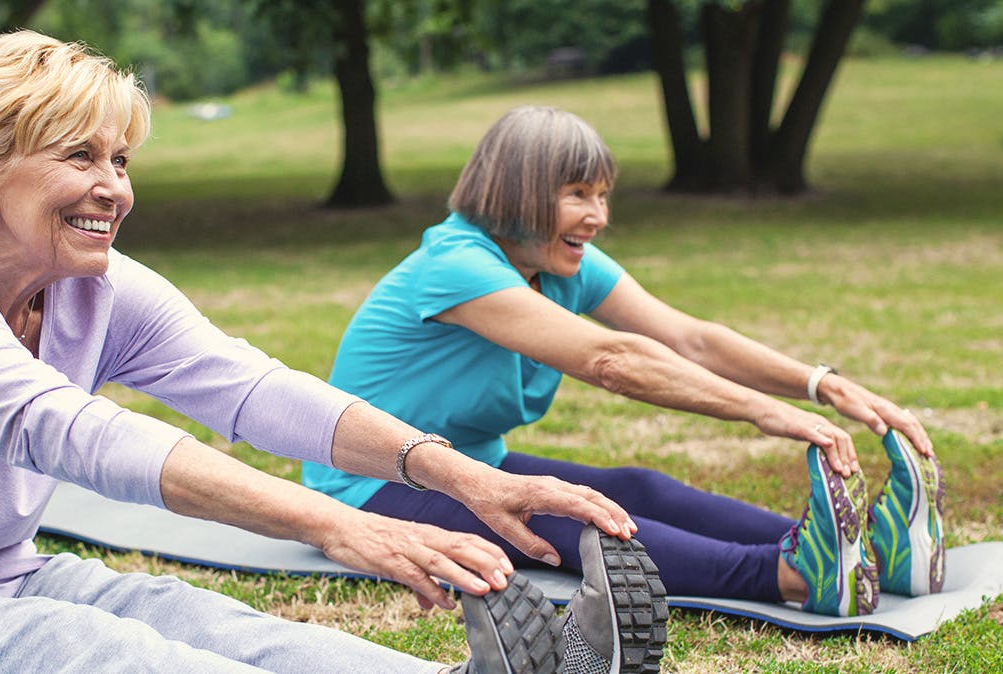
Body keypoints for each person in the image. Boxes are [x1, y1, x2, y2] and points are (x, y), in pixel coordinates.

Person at [0, 35, 665, 674]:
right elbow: (82, 437)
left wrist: (452, 474)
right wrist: (342, 526)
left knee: (234, 633)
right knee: (142, 662)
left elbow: (251, 390)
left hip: (0, 568)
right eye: (78, 158)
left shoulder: (91, 282)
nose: (112, 188)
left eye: (120, 160)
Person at [303, 105, 946, 618]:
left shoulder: (556, 262)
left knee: (636, 488)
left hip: (468, 468)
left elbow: (691, 339)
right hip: (373, 487)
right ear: (519, 192)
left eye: (604, 196)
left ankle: (859, 554)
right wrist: (761, 412)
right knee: (576, 518)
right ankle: (789, 576)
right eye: (579, 194)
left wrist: (820, 384)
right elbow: (611, 359)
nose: (599, 216)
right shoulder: (456, 267)